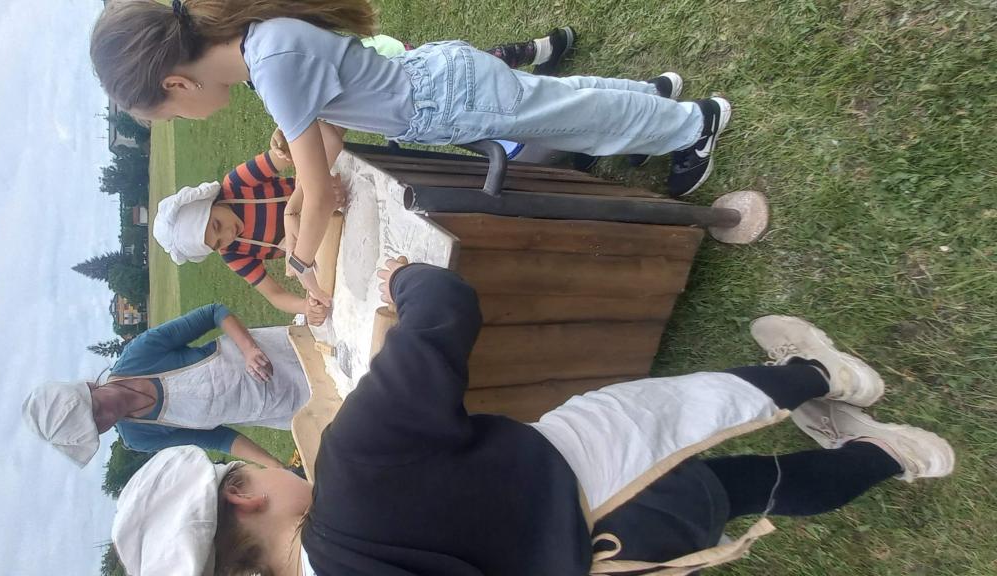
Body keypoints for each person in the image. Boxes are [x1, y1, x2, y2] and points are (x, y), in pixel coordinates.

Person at [107, 263, 954, 576]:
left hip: (627, 557)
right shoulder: (351, 464)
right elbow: (448, 312)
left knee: (740, 493)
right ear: (244, 496)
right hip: (601, 465)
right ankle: (828, 374)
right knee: (712, 404)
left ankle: (895, 456)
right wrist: (403, 280)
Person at [89, 0, 732, 306]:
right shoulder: (262, 57)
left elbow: (320, 185)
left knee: (570, 117)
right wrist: (293, 212)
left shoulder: (272, 65)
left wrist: (302, 258)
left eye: (169, 114)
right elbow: (328, 141)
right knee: (558, 106)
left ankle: (691, 126)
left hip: (451, 99)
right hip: (442, 90)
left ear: (176, 84)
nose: (183, 119)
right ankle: (653, 99)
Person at [150, 29, 578, 325]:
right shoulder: (236, 254)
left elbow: (293, 158)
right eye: (218, 242)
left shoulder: (238, 182)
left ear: (213, 202)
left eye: (218, 226)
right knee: (489, 109)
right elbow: (278, 291)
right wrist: (307, 301)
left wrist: (306, 198)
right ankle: (543, 146)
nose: (227, 236)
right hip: (339, 200)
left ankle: (532, 55)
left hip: (396, 101)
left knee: (480, 89)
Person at [20, 303, 309, 469]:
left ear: (89, 387)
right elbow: (217, 438)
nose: (106, 417)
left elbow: (214, 312)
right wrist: (276, 467)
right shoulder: (138, 437)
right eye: (98, 427)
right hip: (280, 409)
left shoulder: (139, 355)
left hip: (279, 354)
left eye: (95, 409)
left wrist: (248, 350)